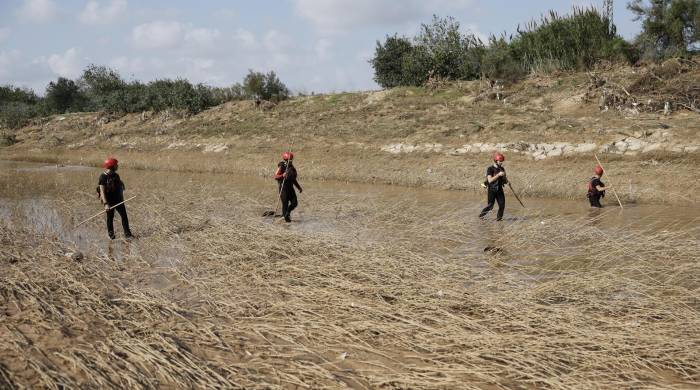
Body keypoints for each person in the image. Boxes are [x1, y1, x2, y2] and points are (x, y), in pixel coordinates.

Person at [98, 157, 132, 239]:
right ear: (112, 166)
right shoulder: (103, 177)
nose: (117, 166)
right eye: (116, 164)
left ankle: (128, 235)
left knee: (124, 217)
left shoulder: (116, 175)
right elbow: (102, 191)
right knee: (110, 218)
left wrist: (122, 184)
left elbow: (119, 183)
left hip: (119, 200)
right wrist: (106, 204)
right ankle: (111, 236)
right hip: (109, 202)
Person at [274, 152, 303, 222]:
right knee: (285, 204)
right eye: (288, 160)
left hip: (290, 188)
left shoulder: (292, 168)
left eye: (291, 160)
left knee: (294, 203)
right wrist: (282, 175)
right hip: (283, 188)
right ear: (285, 160)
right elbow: (275, 176)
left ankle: (287, 213)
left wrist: (299, 187)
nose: (290, 161)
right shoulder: (282, 166)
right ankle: (286, 219)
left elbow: (293, 179)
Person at [478, 152, 508, 221]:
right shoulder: (490, 169)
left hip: (500, 189)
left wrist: (507, 181)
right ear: (496, 161)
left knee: (502, 205)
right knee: (490, 206)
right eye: (500, 161)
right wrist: (498, 175)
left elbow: (504, 179)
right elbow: (490, 180)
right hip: (492, 190)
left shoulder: (502, 169)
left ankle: (499, 219)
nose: (501, 163)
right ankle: (481, 216)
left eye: (502, 161)